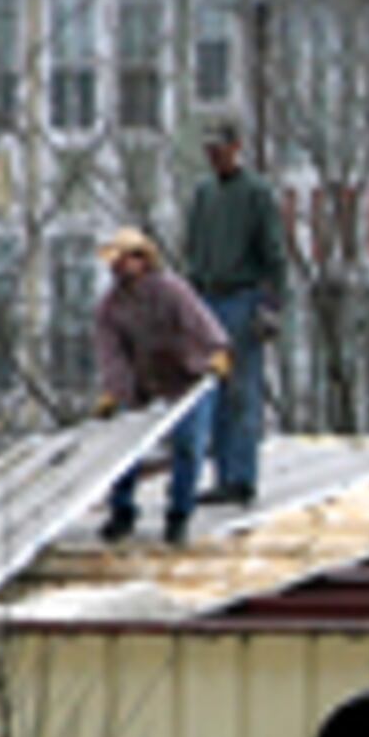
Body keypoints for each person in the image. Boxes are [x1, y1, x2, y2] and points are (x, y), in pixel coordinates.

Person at [92, 226, 235, 544]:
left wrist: (218, 352)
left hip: (189, 376)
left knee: (188, 445)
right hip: (145, 381)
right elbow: (110, 353)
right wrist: (114, 391)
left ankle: (179, 515)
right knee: (125, 448)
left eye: (125, 259)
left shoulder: (172, 291)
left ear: (142, 260)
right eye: (114, 261)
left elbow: (203, 323)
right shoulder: (110, 307)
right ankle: (122, 512)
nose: (118, 267)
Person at [180, 114, 292, 504]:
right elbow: (192, 251)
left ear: (236, 147)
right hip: (207, 299)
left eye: (220, 148)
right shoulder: (204, 194)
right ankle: (222, 474)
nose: (214, 155)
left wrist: (271, 305)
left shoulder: (256, 193)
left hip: (242, 299)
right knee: (212, 391)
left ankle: (241, 477)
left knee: (242, 392)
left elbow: (275, 255)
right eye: (209, 149)